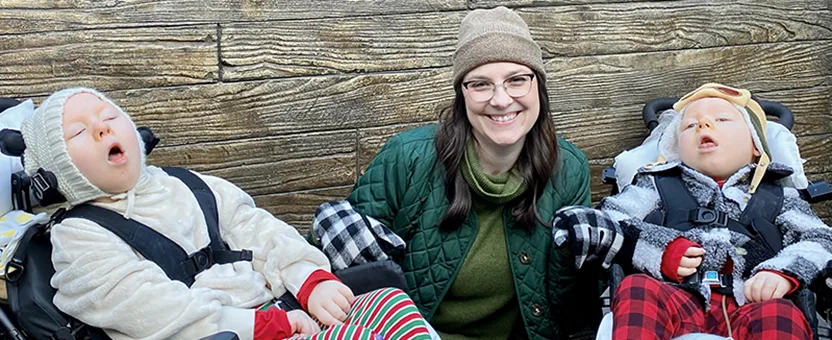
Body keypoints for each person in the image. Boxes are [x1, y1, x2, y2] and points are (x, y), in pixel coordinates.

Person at [22, 87, 430, 340]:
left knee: (390, 306)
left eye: (109, 117)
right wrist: (265, 326)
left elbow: (260, 231)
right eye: (79, 132)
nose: (101, 128)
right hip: (225, 332)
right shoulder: (78, 238)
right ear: (59, 170)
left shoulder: (187, 185)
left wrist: (309, 280)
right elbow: (150, 312)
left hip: (280, 308)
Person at [311, 6, 602, 340]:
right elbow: (332, 265)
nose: (501, 99)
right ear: (462, 94)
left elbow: (574, 302)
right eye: (480, 84)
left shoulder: (568, 168)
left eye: (517, 80)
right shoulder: (408, 159)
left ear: (539, 86)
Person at [554, 83, 832, 340]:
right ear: (676, 148)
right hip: (674, 299)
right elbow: (599, 222)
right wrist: (659, 250)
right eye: (689, 126)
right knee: (637, 288)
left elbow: (821, 240)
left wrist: (782, 273)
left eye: (722, 120)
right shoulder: (655, 186)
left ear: (756, 146)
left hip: (751, 303)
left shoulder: (780, 195)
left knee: (781, 314)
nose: (704, 124)